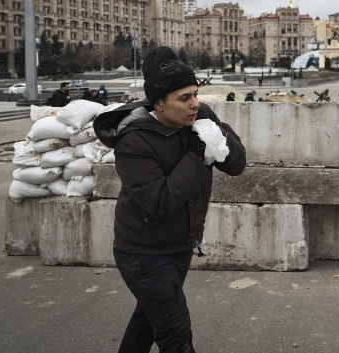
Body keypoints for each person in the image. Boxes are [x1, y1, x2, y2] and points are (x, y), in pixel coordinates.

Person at [93, 46, 246, 353]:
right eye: (184, 98)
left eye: (195, 94)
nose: (195, 104)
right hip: (143, 253)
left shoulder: (199, 116)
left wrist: (216, 136)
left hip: (180, 245)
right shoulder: (134, 141)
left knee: (148, 322)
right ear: (159, 104)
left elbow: (236, 164)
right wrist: (198, 152)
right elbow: (160, 200)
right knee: (175, 334)